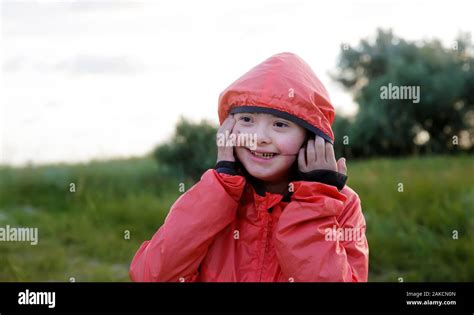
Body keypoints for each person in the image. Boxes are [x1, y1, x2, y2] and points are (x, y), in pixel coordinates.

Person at [130, 52, 369, 282]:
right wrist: (221, 189)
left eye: (280, 124)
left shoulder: (340, 204)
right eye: (246, 120)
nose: (258, 137)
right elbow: (154, 275)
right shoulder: (212, 195)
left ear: (313, 138)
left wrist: (314, 204)